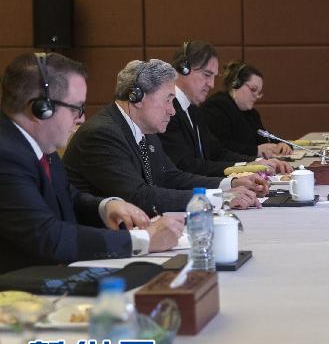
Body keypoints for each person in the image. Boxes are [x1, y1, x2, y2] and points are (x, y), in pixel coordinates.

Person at [0, 53, 183, 273]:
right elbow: (47, 236)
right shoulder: (6, 156)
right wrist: (143, 240)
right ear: (41, 108)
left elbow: (67, 197)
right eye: (76, 108)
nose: (81, 119)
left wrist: (106, 206)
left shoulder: (39, 145)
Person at [64, 59, 265, 215]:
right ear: (137, 97)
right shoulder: (102, 135)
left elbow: (171, 176)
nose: (172, 110)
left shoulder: (145, 130)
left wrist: (230, 184)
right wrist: (218, 199)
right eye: (168, 100)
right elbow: (138, 196)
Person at [158, 41, 291, 177]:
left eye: (214, 77)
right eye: (207, 75)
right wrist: (243, 170)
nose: (211, 84)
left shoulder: (193, 109)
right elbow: (186, 166)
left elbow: (217, 152)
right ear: (183, 68)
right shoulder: (167, 110)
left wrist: (255, 163)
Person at [200, 61, 292, 158]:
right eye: (253, 89)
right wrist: (255, 151)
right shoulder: (215, 107)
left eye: (259, 92)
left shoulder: (251, 113)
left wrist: (282, 145)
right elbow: (220, 147)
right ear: (236, 84)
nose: (256, 96)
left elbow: (265, 138)